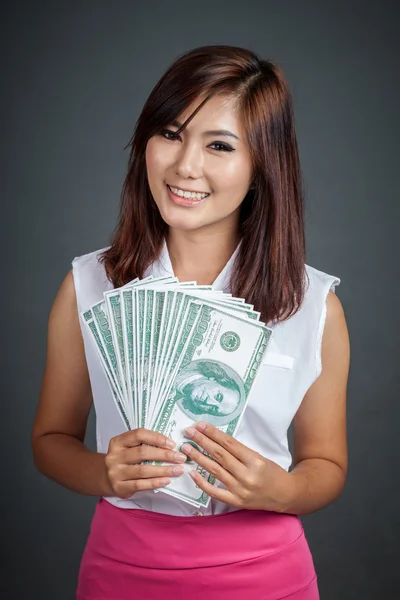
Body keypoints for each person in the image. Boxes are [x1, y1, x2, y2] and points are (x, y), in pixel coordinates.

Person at [31, 45, 350, 599]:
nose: (185, 166)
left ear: (260, 169)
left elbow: (327, 462)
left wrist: (280, 489)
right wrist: (105, 473)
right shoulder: (89, 285)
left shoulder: (313, 304)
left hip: (265, 572)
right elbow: (51, 440)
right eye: (171, 134)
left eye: (220, 145)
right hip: (122, 565)